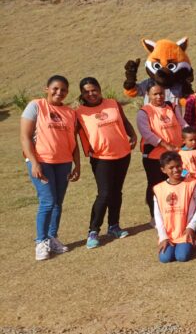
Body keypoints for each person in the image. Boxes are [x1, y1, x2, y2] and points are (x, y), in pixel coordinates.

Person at [20, 75, 81, 261]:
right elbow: (25, 137)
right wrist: (34, 162)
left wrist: (77, 164)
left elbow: (74, 142)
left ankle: (52, 237)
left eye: (63, 90)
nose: (58, 92)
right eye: (55, 88)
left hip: (63, 163)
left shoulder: (71, 113)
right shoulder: (36, 106)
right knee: (47, 201)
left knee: (58, 203)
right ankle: (41, 242)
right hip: (42, 161)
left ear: (67, 92)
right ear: (47, 88)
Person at [76, 77, 136, 249]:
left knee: (117, 191)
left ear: (100, 89)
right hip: (101, 158)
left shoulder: (113, 103)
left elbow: (124, 122)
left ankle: (114, 226)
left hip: (123, 154)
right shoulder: (79, 113)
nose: (91, 94)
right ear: (82, 94)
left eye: (94, 89)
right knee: (104, 193)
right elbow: (69, 133)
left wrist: (133, 135)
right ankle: (93, 230)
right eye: (86, 91)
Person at [137, 81, 185, 219]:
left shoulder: (172, 106)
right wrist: (166, 145)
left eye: (161, 93)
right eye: (155, 94)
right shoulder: (144, 112)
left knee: (172, 183)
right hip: (154, 156)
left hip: (174, 154)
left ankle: (172, 211)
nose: (159, 96)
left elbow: (182, 123)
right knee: (155, 185)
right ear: (148, 95)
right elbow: (147, 134)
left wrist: (190, 137)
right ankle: (155, 216)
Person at [153, 152, 196, 263]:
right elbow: (157, 215)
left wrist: (191, 226)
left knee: (182, 257)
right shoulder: (158, 189)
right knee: (165, 258)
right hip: (169, 233)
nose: (176, 170)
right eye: (171, 168)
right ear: (163, 170)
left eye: (178, 166)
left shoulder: (193, 184)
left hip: (186, 231)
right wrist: (163, 237)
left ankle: (190, 242)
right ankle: (173, 243)